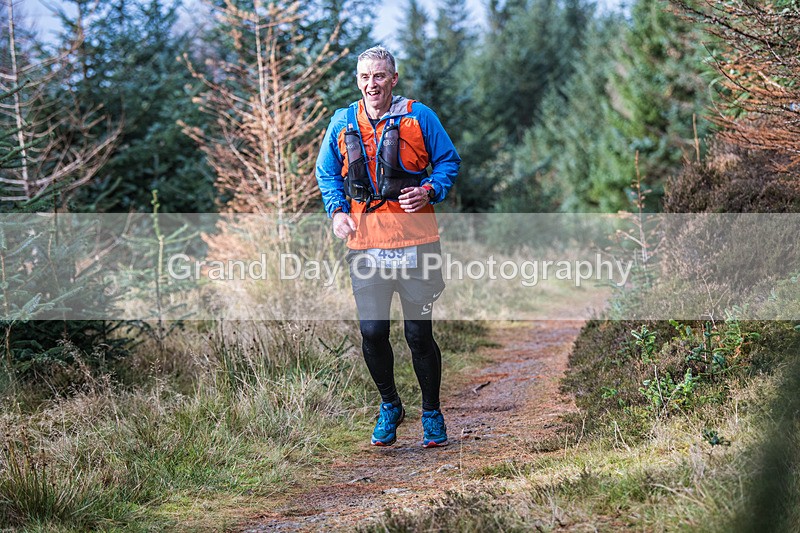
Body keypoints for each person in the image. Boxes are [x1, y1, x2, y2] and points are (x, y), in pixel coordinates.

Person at [315, 46, 461, 448]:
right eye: (364, 77)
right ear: (357, 80)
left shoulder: (419, 116)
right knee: (373, 331)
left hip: (417, 241)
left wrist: (429, 189)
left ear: (393, 79)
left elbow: (449, 162)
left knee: (418, 334)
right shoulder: (342, 122)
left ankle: (431, 413)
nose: (371, 84)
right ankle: (390, 405)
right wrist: (336, 211)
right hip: (365, 243)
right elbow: (327, 173)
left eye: (379, 76)